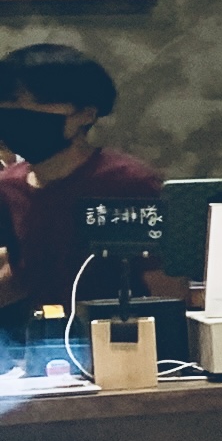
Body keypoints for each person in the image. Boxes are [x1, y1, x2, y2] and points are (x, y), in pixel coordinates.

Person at [0, 41, 166, 316]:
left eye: (31, 106)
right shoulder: (9, 187)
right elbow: (24, 273)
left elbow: (165, 285)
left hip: (121, 341)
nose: (14, 117)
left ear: (85, 115)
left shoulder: (126, 183)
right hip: (43, 343)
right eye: (7, 107)